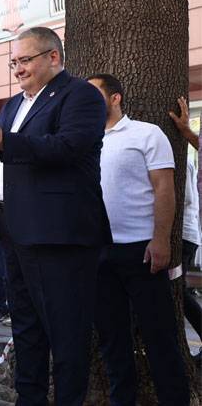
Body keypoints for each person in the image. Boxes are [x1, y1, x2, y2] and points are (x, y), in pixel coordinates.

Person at [0, 26, 111, 405]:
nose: (17, 69)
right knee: (27, 327)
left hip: (59, 234)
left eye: (25, 60)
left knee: (66, 333)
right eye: (13, 62)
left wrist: (4, 140)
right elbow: (5, 158)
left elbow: (66, 147)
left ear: (53, 57)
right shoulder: (15, 105)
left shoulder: (80, 95)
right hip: (13, 230)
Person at [87, 73, 189, 405]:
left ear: (115, 98)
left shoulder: (147, 134)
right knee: (112, 340)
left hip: (142, 252)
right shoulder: (84, 140)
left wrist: (161, 241)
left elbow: (164, 190)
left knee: (160, 338)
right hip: (98, 254)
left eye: (94, 94)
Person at [169, 95, 202, 367]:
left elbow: (187, 201)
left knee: (176, 288)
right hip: (186, 232)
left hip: (185, 234)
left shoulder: (182, 164)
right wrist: (187, 131)